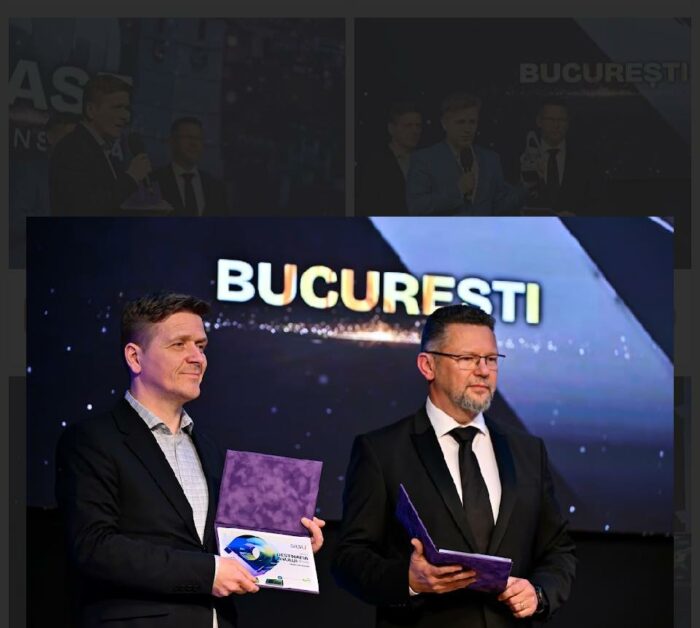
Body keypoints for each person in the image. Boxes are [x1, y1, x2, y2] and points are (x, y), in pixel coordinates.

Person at [55, 292, 325, 628]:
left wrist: (288, 548)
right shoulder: (94, 440)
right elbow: (94, 548)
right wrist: (208, 573)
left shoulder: (208, 449)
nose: (197, 357)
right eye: (179, 344)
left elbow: (225, 550)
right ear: (135, 357)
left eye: (201, 345)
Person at [332, 304, 576, 627]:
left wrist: (539, 593)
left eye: (491, 359)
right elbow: (349, 558)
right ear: (427, 365)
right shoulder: (382, 451)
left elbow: (557, 550)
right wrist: (408, 579)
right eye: (467, 358)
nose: (483, 370)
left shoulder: (528, 452)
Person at [406, 94, 527, 215]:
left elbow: (500, 204)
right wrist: (458, 191)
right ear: (444, 124)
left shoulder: (490, 159)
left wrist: (525, 186)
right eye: (461, 122)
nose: (467, 129)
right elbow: (416, 206)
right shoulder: (424, 159)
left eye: (472, 122)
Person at [49, 74, 152, 216]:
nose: (126, 116)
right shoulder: (72, 148)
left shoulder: (100, 150)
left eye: (127, 109)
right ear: (91, 110)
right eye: (117, 107)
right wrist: (131, 178)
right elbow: (84, 209)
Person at [521, 98, 606, 214]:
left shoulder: (586, 159)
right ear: (539, 121)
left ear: (568, 123)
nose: (556, 125)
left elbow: (598, 202)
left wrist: (576, 218)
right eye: (550, 119)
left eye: (561, 120)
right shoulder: (523, 158)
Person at [153, 117, 229, 216]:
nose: (194, 143)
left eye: (198, 138)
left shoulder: (216, 187)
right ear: (172, 141)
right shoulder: (154, 182)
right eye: (188, 137)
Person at [357, 102, 423, 215]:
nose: (415, 131)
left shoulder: (424, 160)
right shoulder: (375, 164)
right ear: (391, 129)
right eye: (408, 126)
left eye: (418, 126)